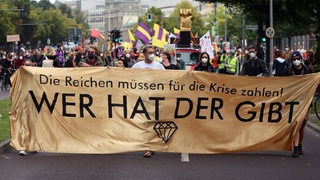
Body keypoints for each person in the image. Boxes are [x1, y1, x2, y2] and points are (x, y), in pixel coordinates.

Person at [132, 45, 164, 158]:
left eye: (153, 52)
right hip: (142, 99)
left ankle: (152, 145)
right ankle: (147, 148)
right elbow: (129, 79)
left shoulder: (159, 66)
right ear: (144, 54)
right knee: (145, 123)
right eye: (150, 52)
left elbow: (166, 79)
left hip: (155, 98)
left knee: (153, 122)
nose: (152, 54)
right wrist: (142, 74)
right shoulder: (137, 66)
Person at [283, 51, 311, 158]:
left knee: (302, 126)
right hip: (293, 102)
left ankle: (299, 145)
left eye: (298, 58)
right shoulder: (288, 71)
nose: (296, 61)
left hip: (305, 102)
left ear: (301, 59)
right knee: (296, 124)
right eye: (294, 59)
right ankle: (295, 148)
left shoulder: (306, 70)